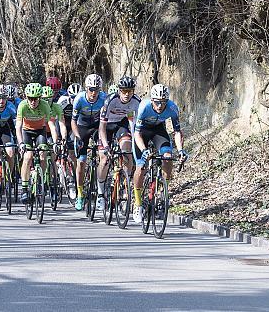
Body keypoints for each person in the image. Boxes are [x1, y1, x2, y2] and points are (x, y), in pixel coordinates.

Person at [132, 84, 187, 223]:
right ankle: (138, 203)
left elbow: (177, 132)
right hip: (142, 132)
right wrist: (144, 150)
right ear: (152, 100)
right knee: (141, 166)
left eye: (163, 102)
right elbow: (137, 134)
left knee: (167, 158)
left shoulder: (172, 107)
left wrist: (180, 150)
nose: (160, 105)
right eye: (157, 102)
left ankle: (163, 193)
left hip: (158, 131)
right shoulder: (144, 107)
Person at [96, 76, 140, 211]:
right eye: (124, 91)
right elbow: (102, 127)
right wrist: (106, 145)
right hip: (106, 126)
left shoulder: (137, 101)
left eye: (130, 91)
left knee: (127, 151)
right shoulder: (110, 100)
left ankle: (125, 182)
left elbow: (138, 125)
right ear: (119, 91)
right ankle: (100, 193)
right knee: (104, 159)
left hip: (121, 124)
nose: (127, 94)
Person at [15, 83, 58, 204]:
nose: (33, 102)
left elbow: (51, 125)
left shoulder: (44, 105)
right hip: (26, 131)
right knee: (28, 157)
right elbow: (18, 127)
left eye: (36, 98)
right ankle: (24, 189)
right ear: (26, 97)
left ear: (40, 98)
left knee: (43, 155)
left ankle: (41, 180)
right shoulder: (22, 105)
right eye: (30, 98)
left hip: (40, 131)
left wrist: (55, 142)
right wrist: (21, 143)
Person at [71, 74, 107, 210]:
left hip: (98, 126)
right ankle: (80, 194)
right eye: (91, 89)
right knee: (81, 161)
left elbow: (107, 119)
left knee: (102, 156)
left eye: (96, 90)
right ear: (86, 88)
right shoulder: (80, 99)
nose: (93, 93)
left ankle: (100, 192)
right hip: (82, 127)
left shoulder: (104, 98)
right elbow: (73, 121)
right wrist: (77, 136)